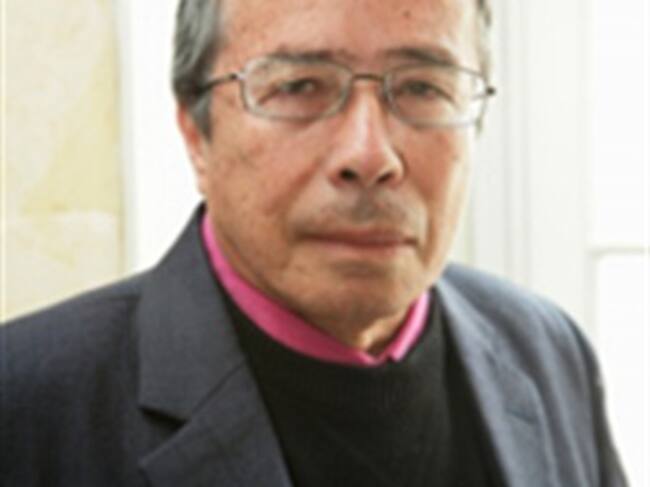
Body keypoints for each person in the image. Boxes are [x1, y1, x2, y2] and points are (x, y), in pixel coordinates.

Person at [0, 0, 627, 485]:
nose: (370, 156)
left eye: (421, 88)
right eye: (300, 86)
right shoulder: (27, 407)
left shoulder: (546, 351)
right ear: (195, 132)